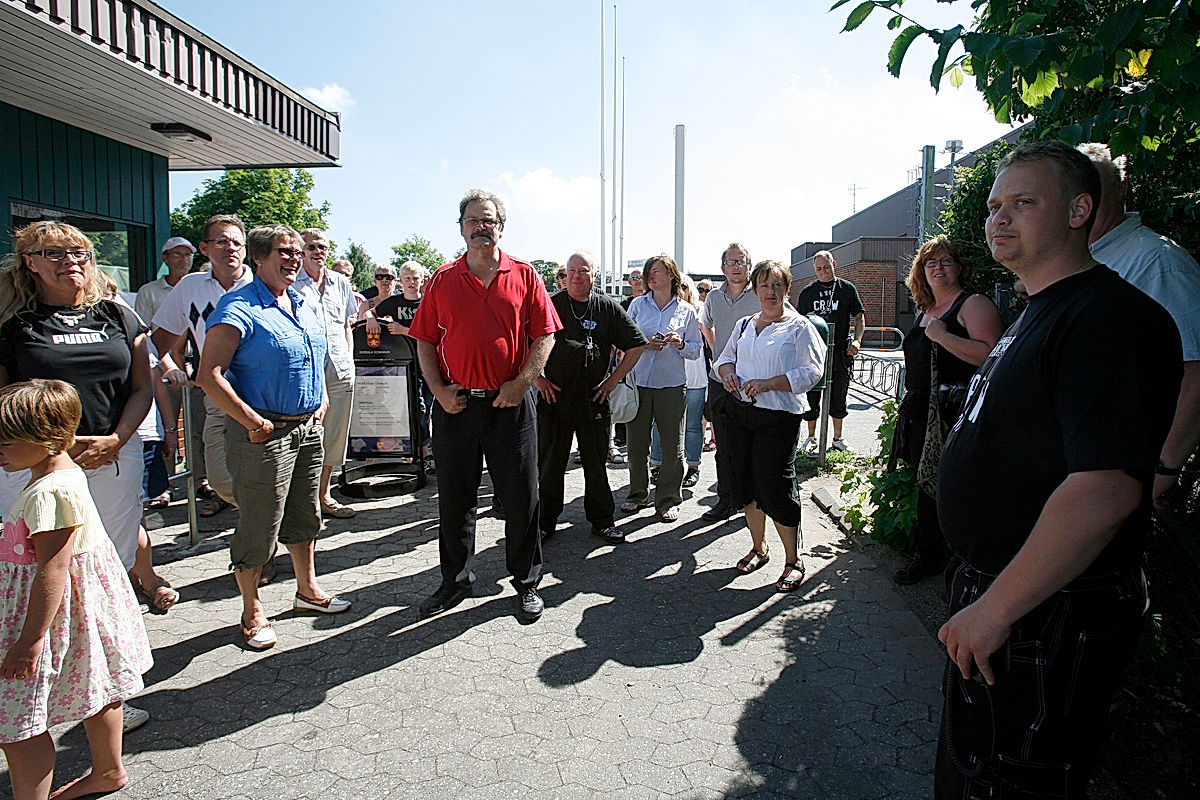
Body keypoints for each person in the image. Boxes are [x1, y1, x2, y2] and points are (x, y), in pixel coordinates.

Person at [934, 140, 1181, 799]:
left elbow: (1105, 489)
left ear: (1078, 210)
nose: (998, 218)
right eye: (992, 206)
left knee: (1014, 783)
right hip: (1007, 597)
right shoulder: (1036, 311)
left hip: (1047, 611)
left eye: (1023, 202)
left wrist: (997, 609)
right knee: (974, 774)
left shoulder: (1103, 317)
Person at [0, 221, 162, 730]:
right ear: (29, 262)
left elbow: (142, 386)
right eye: (54, 253)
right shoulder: (14, 324)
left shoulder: (118, 313)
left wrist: (117, 438)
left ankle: (102, 696)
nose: (72, 260)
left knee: (100, 577)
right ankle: (34, 687)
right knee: (35, 576)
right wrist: (49, 449)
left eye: (81, 251)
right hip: (37, 470)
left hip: (111, 457)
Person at [408, 190, 561, 621]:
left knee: (521, 498)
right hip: (455, 406)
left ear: (501, 226)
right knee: (455, 500)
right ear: (461, 228)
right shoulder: (442, 279)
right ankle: (454, 580)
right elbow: (424, 338)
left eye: (489, 220)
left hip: (509, 405)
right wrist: (437, 390)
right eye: (473, 220)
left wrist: (522, 383)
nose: (481, 227)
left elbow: (544, 336)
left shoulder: (526, 275)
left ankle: (527, 581)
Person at [198, 224, 351, 651]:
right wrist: (252, 422)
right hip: (263, 435)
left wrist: (319, 400)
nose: (294, 259)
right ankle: (252, 611)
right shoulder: (239, 307)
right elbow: (209, 375)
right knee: (260, 525)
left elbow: (314, 355)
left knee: (305, 515)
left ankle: (307, 592)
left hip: (306, 429)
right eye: (284, 252)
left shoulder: (301, 302)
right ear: (259, 258)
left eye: (297, 253)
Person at [0, 379, 153, 800]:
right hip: (80, 609)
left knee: (18, 722)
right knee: (97, 684)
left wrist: (29, 641)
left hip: (49, 616)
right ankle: (108, 769)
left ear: (47, 440)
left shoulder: (50, 491)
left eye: (7, 442)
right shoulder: (63, 473)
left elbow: (52, 569)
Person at [1081, 142, 1200, 508]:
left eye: (1097, 187)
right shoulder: (1088, 259)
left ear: (1122, 187)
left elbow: (1196, 372)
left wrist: (1165, 467)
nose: (1087, 201)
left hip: (1128, 472)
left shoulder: (1157, 263)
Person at [891, 237, 1003, 585]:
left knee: (956, 488)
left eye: (946, 262)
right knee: (926, 485)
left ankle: (965, 564)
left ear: (959, 267)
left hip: (956, 414)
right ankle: (928, 556)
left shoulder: (973, 304)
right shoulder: (927, 308)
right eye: (930, 263)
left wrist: (942, 337)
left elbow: (994, 357)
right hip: (922, 412)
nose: (938, 268)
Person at [715, 261, 825, 592]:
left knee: (775, 485)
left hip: (779, 417)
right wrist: (729, 374)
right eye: (764, 285)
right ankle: (758, 548)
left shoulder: (799, 327)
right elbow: (722, 359)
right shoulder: (744, 324)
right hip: (742, 415)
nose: (770, 292)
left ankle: (793, 560)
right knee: (745, 481)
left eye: (777, 285)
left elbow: (812, 373)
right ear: (755, 290)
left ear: (786, 289)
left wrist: (769, 383)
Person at [535, 251, 647, 544]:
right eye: (571, 271)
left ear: (593, 275)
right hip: (554, 400)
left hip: (594, 400)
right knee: (550, 465)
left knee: (596, 465)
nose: (575, 276)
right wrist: (537, 380)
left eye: (583, 271)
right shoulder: (551, 304)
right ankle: (545, 522)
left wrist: (612, 381)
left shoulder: (607, 307)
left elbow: (636, 346)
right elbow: (521, 342)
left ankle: (602, 521)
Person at [152, 214, 253, 518]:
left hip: (262, 395)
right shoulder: (190, 287)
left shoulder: (263, 284)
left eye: (237, 242)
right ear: (205, 248)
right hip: (217, 394)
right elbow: (159, 341)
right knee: (220, 478)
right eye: (222, 241)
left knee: (264, 474)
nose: (230, 248)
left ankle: (259, 540)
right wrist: (165, 367)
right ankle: (257, 519)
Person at [622, 254, 702, 523]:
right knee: (636, 445)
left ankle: (668, 499)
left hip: (671, 386)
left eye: (657, 272)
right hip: (640, 384)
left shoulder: (686, 311)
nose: (651, 277)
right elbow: (625, 342)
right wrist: (645, 344)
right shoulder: (636, 306)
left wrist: (679, 344)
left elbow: (696, 351)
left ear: (671, 276)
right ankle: (636, 494)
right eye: (649, 273)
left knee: (672, 446)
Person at [295, 228, 359, 519]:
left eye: (322, 246)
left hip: (340, 365)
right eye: (311, 246)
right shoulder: (292, 282)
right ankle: (302, 500)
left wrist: (349, 357)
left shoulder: (340, 283)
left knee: (334, 434)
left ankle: (324, 494)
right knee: (307, 432)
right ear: (301, 249)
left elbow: (346, 324)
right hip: (307, 368)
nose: (317, 251)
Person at [699, 243, 761, 521]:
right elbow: (705, 325)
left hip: (754, 382)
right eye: (731, 261)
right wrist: (717, 355)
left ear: (749, 265)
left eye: (742, 261)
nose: (736, 266)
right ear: (722, 267)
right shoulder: (713, 297)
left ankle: (754, 503)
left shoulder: (762, 292)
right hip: (721, 381)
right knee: (723, 446)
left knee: (754, 445)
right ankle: (726, 499)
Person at [794, 250, 865, 453]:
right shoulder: (808, 292)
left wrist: (858, 341)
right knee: (812, 396)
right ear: (814, 269)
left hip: (841, 352)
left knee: (838, 395)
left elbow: (859, 317)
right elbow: (799, 323)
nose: (823, 272)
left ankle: (837, 438)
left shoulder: (846, 289)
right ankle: (811, 437)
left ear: (834, 264)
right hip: (814, 353)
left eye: (826, 267)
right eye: (818, 269)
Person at [372, 260, 433, 461]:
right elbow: (370, 312)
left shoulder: (428, 303)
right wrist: (371, 318)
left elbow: (434, 334)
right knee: (417, 407)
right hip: (404, 364)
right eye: (407, 278)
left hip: (428, 362)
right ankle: (422, 449)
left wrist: (404, 330)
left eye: (415, 278)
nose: (411, 282)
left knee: (428, 408)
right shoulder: (393, 303)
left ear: (422, 281)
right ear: (401, 281)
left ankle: (423, 447)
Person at [649, 275, 708, 488]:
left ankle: (693, 466)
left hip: (694, 376)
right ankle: (657, 465)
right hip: (668, 377)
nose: (680, 289)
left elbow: (705, 340)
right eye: (677, 285)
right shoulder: (663, 309)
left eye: (684, 286)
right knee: (661, 424)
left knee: (693, 424)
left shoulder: (698, 310)